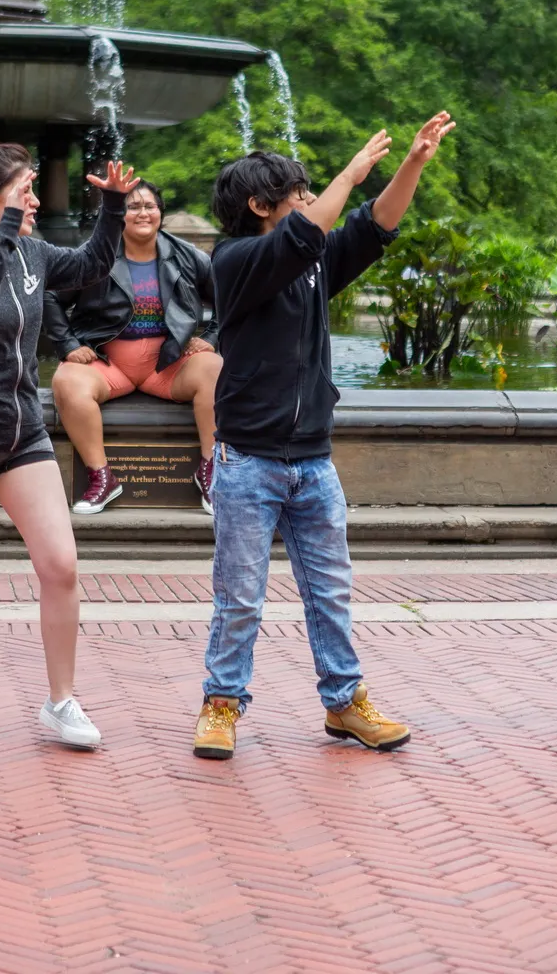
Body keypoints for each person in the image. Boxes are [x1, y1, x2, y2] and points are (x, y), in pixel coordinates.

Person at [192, 112, 456, 762]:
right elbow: (305, 233)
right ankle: (221, 704)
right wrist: (351, 171)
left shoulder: (312, 261)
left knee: (331, 593)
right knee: (240, 598)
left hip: (313, 462)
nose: (311, 200)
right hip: (247, 461)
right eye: (299, 193)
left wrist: (413, 163)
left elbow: (374, 225)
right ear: (260, 206)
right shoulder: (234, 261)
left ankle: (344, 702)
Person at [0, 142, 140, 759]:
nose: (36, 201)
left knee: (61, 565)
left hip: (22, 435)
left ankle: (60, 701)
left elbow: (92, 264)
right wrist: (6, 231)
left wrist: (113, 207)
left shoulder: (32, 251)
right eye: (24, 191)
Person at [46, 180, 221, 515]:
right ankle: (101, 477)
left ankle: (211, 471)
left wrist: (211, 338)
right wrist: (68, 344)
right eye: (133, 207)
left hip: (169, 364)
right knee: (66, 380)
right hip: (109, 363)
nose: (143, 213)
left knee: (215, 368)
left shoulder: (189, 256)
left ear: (160, 212)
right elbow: (51, 295)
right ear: (118, 214)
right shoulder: (94, 255)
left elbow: (228, 301)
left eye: (149, 206)